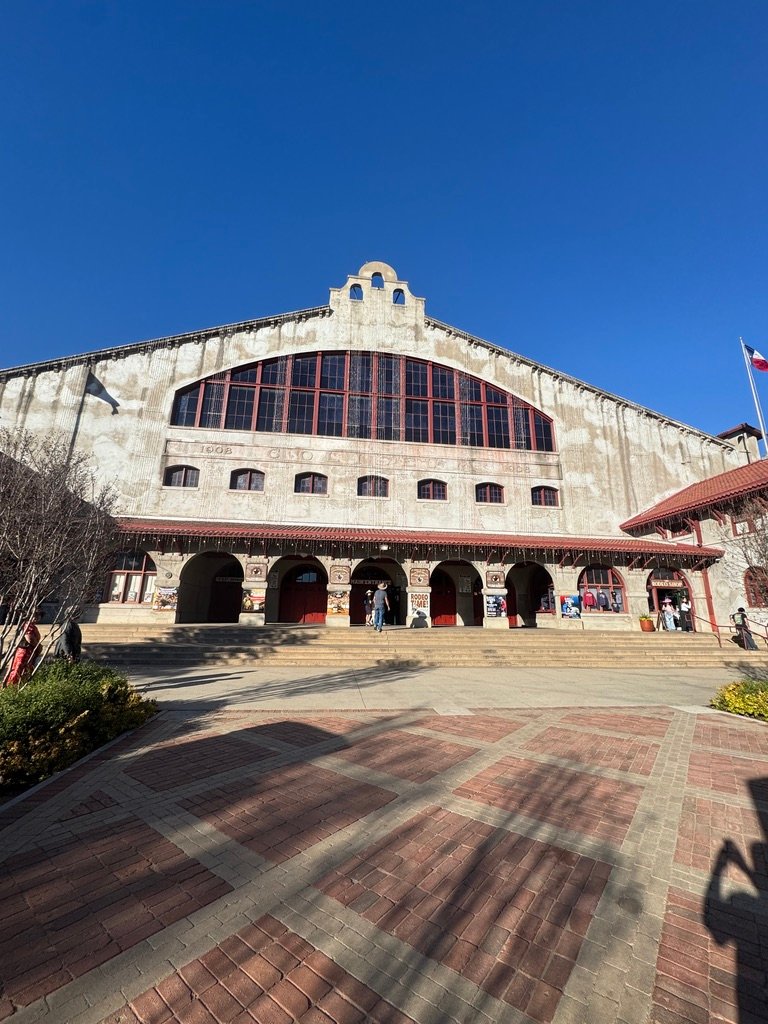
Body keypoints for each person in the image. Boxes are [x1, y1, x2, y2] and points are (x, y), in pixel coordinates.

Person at [4, 613, 41, 686]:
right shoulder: (27, 625)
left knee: (24, 670)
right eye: (35, 615)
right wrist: (39, 647)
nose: (37, 617)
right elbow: (30, 639)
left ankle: (19, 685)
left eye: (39, 615)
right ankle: (13, 686)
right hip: (24, 652)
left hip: (27, 652)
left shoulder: (30, 625)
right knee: (19, 670)